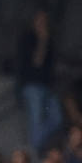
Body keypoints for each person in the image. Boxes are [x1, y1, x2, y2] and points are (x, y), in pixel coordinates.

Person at [16, 9, 61, 153]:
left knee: (57, 118)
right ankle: (35, 151)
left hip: (47, 86)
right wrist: (42, 41)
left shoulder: (50, 40)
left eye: (45, 21)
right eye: (40, 21)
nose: (43, 24)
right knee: (37, 119)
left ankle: (37, 143)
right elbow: (37, 61)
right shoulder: (28, 38)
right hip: (32, 86)